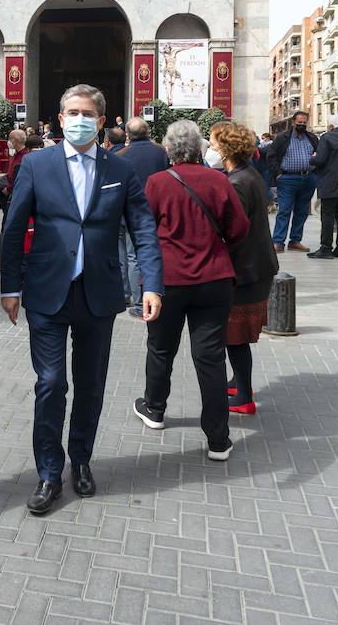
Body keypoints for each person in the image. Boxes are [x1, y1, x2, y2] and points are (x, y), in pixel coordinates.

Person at [0, 84, 164, 515]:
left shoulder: (120, 169)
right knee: (51, 383)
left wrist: (151, 284)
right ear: (58, 118)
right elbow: (15, 227)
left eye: (86, 112)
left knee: (91, 386)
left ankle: (82, 460)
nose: (78, 119)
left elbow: (143, 228)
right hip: (46, 292)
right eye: (71, 111)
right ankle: (49, 471)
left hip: (98, 294)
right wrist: (10, 287)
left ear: (102, 120)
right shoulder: (37, 165)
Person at [132, 121, 248, 460]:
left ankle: (154, 408)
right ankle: (217, 439)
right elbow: (239, 228)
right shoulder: (219, 180)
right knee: (210, 357)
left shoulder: (157, 183)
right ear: (200, 149)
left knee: (161, 347)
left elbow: (145, 230)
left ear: (168, 150)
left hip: (168, 280)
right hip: (214, 279)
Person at [209, 121, 279, 416]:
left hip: (246, 270)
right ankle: (238, 382)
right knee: (234, 335)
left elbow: (233, 230)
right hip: (255, 265)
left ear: (226, 148)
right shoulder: (246, 175)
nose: (209, 148)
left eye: (213, 143)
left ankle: (244, 396)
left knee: (234, 337)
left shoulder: (237, 182)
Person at [117, 117, 170, 317]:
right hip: (153, 211)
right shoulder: (160, 152)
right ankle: (141, 300)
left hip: (125, 212)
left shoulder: (122, 154)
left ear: (128, 134)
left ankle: (130, 298)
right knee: (140, 254)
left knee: (126, 256)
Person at [267, 112, 319, 252]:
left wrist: (315, 174)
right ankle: (278, 242)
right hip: (287, 179)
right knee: (284, 210)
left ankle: (295, 240)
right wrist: (277, 174)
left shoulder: (312, 138)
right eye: (299, 123)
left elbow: (320, 155)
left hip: (308, 179)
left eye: (304, 123)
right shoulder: (283, 138)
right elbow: (271, 155)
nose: (302, 125)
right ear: (293, 122)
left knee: (302, 212)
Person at [307, 114, 338, 260]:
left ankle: (326, 248)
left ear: (331, 126)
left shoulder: (327, 137)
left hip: (329, 182)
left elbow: (320, 160)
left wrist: (312, 158)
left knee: (327, 216)